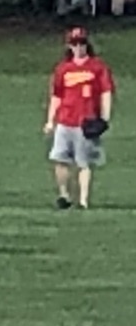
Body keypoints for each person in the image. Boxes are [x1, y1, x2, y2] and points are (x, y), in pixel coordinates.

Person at [44, 25, 115, 210]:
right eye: (75, 44)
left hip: (86, 122)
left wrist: (105, 118)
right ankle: (64, 195)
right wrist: (50, 120)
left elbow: (106, 92)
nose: (78, 47)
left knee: (84, 163)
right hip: (65, 120)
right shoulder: (63, 69)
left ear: (87, 45)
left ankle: (83, 201)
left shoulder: (97, 67)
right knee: (59, 160)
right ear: (69, 46)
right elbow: (57, 96)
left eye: (81, 43)